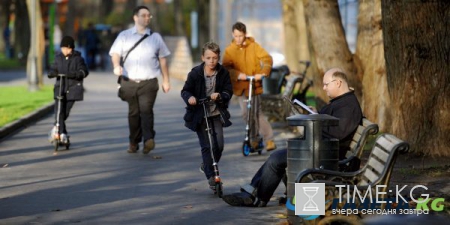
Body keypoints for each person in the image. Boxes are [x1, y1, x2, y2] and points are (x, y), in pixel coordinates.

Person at [222, 68, 363, 207]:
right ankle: (253, 193)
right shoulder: (341, 101)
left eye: (326, 84)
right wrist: (315, 114)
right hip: (320, 150)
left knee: (276, 159)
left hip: (328, 157)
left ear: (338, 83)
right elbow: (332, 124)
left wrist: (315, 121)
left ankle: (257, 197)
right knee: (278, 156)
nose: (324, 88)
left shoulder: (348, 106)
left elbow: (337, 133)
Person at [109, 5, 171, 154]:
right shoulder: (124, 36)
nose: (147, 18)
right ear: (135, 17)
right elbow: (115, 53)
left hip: (148, 82)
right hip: (129, 82)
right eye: (143, 15)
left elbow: (163, 60)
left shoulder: (155, 38)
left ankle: (148, 139)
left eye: (148, 15)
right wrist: (116, 66)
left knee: (146, 110)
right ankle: (133, 141)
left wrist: (166, 80)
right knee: (133, 113)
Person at [181, 41, 233, 190]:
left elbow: (228, 91)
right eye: (208, 58)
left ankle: (207, 165)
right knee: (206, 146)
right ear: (203, 57)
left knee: (219, 145)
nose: (212, 61)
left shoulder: (223, 73)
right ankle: (211, 176)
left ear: (218, 58)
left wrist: (221, 95)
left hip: (216, 112)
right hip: (200, 113)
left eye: (215, 58)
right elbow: (185, 91)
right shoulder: (195, 73)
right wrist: (190, 98)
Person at [222, 22, 277, 151]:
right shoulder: (230, 50)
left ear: (245, 34)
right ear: (233, 35)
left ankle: (269, 139)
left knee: (257, 113)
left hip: (254, 85)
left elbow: (267, 58)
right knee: (246, 113)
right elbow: (225, 67)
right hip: (241, 87)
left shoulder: (253, 46)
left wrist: (263, 73)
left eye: (240, 36)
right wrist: (237, 74)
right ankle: (254, 139)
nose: (238, 39)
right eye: (236, 36)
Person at [48, 36, 89, 143]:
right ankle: (62, 133)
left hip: (73, 89)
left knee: (64, 112)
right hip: (60, 88)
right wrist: (52, 73)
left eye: (67, 48)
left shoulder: (78, 59)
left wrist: (74, 74)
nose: (65, 51)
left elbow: (84, 71)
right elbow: (53, 68)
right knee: (58, 112)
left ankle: (57, 129)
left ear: (72, 49)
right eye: (63, 48)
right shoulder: (58, 58)